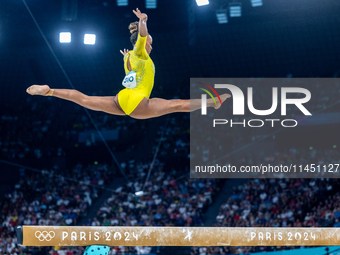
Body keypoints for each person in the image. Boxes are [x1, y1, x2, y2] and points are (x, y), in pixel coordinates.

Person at [26, 8, 230, 119]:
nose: (151, 44)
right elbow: (141, 37)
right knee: (178, 105)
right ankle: (213, 102)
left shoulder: (131, 58)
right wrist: (143, 22)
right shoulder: (140, 53)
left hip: (122, 99)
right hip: (139, 101)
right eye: (150, 41)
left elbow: (130, 76)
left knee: (85, 99)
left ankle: (50, 91)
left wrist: (126, 58)